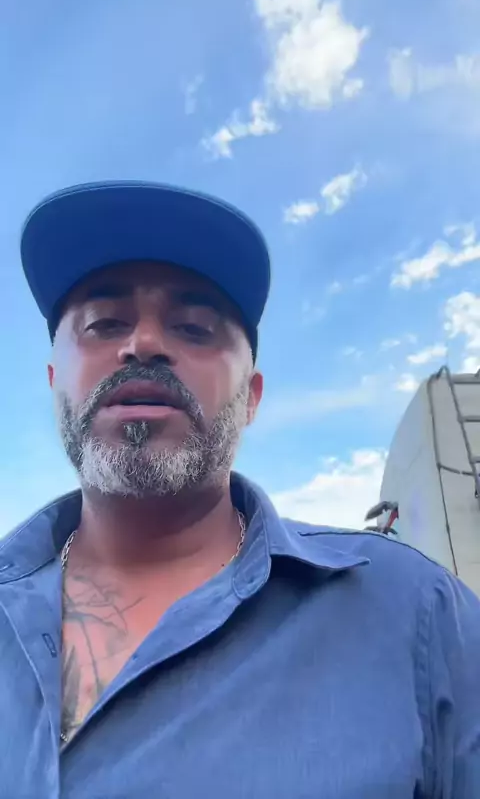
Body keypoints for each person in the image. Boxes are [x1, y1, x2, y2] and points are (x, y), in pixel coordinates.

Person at [2, 181, 478, 799]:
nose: (143, 344)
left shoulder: (419, 615)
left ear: (250, 398)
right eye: (104, 323)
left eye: (194, 327)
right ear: (54, 382)